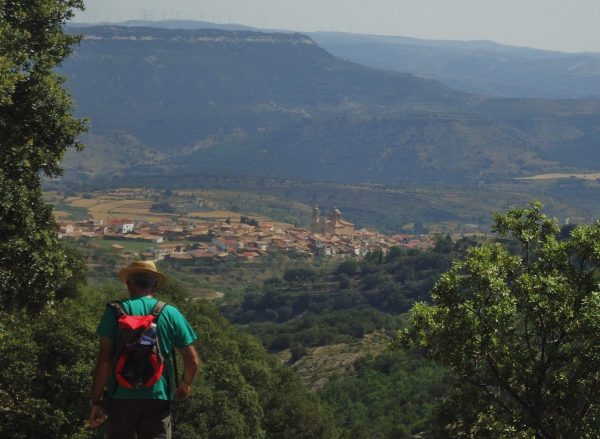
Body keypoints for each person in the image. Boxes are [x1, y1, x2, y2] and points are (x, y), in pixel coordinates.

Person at [88, 261, 200, 438]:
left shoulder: (114, 311)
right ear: (154, 285)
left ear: (129, 284)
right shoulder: (170, 313)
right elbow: (192, 361)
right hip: (158, 396)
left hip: (120, 397)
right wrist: (184, 385)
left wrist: (96, 400)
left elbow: (104, 360)